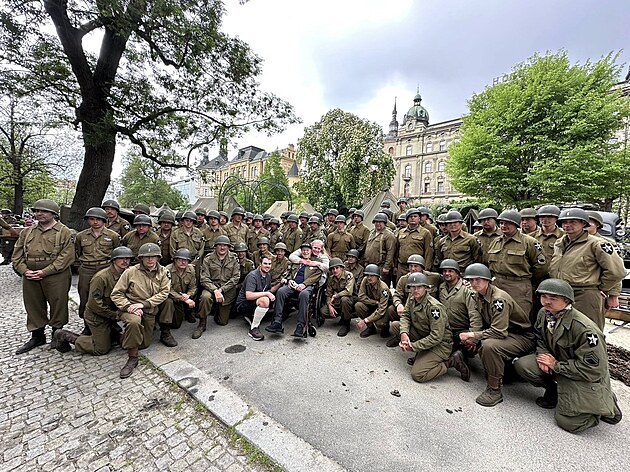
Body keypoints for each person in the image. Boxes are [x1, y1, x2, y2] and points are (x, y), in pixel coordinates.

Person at [514, 279, 622, 433]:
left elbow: (593, 370)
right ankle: (555, 393)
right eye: (544, 296)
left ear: (567, 301)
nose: (547, 301)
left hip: (583, 376)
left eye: (553, 298)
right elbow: (540, 336)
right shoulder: (544, 314)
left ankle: (604, 402)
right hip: (562, 367)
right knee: (524, 365)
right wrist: (543, 353)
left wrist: (555, 365)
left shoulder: (585, 330)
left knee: (569, 423)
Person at [459, 263, 535, 407]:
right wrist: (473, 338)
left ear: (487, 280)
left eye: (478, 279)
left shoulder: (498, 299)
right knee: (476, 341)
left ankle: (494, 390)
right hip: (506, 334)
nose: (474, 283)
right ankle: (505, 372)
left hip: (521, 336)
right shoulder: (478, 296)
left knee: (489, 346)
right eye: (471, 280)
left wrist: (473, 335)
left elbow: (498, 332)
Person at [12, 199, 75, 354]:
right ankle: (37, 335)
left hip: (56, 274)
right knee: (33, 304)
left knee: (58, 303)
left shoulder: (64, 232)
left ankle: (57, 334)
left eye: (44, 211)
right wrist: (24, 271)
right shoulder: (27, 232)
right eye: (37, 211)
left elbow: (66, 256)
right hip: (30, 274)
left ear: (53, 213)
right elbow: (17, 255)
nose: (39, 214)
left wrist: (45, 271)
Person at [549, 208, 625, 330]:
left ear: (583, 224)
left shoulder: (597, 244)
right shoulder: (560, 243)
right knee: (562, 330)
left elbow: (617, 271)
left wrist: (602, 288)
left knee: (587, 330)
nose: (567, 225)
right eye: (564, 222)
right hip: (561, 293)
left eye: (573, 222)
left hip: (584, 295)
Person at [51, 246, 134, 355]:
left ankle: (111, 333)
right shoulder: (101, 278)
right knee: (101, 349)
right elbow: (94, 304)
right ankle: (66, 336)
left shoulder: (129, 274)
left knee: (125, 341)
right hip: (97, 316)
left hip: (111, 314)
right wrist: (114, 316)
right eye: (121, 258)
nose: (125, 261)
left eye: (128, 258)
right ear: (114, 260)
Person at [390, 272, 469, 383]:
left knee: (418, 374)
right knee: (396, 326)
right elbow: (406, 315)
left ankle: (451, 361)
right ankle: (422, 353)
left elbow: (436, 337)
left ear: (426, 288)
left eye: (419, 287)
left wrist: (413, 346)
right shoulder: (412, 298)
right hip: (424, 334)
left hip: (440, 344)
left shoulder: (434, 308)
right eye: (413, 287)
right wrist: (404, 333)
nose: (415, 290)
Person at [111, 242, 171, 378]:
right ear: (141, 258)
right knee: (134, 322)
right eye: (146, 256)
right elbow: (116, 294)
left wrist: (144, 304)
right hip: (130, 308)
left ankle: (116, 336)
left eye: (153, 256)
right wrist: (128, 306)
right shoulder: (130, 272)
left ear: (158, 258)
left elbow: (164, 293)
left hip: (148, 309)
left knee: (144, 344)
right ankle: (132, 358)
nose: (150, 259)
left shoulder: (164, 272)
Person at [486, 209, 547, 318]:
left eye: (508, 223)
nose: (503, 226)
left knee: (520, 318)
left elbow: (541, 268)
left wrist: (528, 283)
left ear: (516, 224)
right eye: (501, 223)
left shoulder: (529, 242)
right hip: (497, 285)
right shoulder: (495, 242)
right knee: (497, 317)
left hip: (519, 286)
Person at [75, 207, 121, 333]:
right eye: (92, 219)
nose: (95, 222)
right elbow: (78, 252)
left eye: (98, 219)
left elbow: (117, 252)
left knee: (108, 296)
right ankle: (87, 324)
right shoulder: (81, 236)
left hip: (106, 268)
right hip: (87, 268)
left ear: (104, 220)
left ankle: (111, 323)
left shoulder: (113, 236)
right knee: (85, 296)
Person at [266, 241, 323, 337]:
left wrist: (304, 284)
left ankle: (300, 326)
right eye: (303, 250)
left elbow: (317, 276)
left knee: (304, 294)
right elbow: (288, 272)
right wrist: (289, 280)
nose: (305, 252)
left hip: (307, 286)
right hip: (293, 285)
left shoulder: (316, 262)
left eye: (307, 250)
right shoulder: (297, 261)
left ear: (311, 251)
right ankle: (277, 322)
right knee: (281, 291)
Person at [196, 235, 240, 336]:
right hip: (211, 288)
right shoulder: (208, 259)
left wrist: (221, 290)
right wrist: (215, 290)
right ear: (215, 246)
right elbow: (204, 278)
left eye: (225, 245)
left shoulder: (234, 258)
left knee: (222, 322)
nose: (222, 247)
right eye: (220, 245)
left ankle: (216, 309)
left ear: (228, 247)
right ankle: (202, 324)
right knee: (205, 297)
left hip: (227, 290)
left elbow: (235, 277)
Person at [436, 259, 482, 355]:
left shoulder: (467, 290)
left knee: (467, 345)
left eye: (450, 271)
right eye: (444, 271)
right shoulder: (441, 287)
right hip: (445, 328)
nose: (447, 273)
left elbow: (474, 315)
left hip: (461, 329)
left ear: (457, 273)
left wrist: (474, 338)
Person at [159, 248, 198, 346]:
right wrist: (182, 298)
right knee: (176, 324)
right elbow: (167, 289)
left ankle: (189, 312)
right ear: (175, 260)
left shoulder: (191, 269)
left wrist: (188, 295)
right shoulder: (167, 270)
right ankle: (165, 330)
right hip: (173, 298)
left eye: (186, 260)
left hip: (185, 297)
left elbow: (193, 287)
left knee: (196, 294)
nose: (183, 262)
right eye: (180, 259)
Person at [236, 255, 277, 341]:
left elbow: (268, 290)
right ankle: (253, 328)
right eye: (265, 263)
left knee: (272, 299)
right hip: (243, 304)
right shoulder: (253, 276)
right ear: (260, 264)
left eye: (269, 264)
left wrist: (280, 284)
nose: (267, 266)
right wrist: (267, 294)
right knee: (264, 300)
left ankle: (253, 316)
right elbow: (249, 296)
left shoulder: (268, 275)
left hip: (254, 302)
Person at [321, 257, 356, 337]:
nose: (335, 270)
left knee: (344, 299)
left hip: (351, 300)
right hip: (338, 300)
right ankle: (342, 316)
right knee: (323, 311)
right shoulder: (331, 278)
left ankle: (346, 324)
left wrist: (336, 295)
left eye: (337, 268)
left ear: (342, 268)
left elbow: (348, 292)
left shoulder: (349, 275)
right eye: (333, 269)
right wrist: (329, 305)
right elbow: (328, 294)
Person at [396, 208, 433, 281]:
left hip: (417, 267)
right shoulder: (401, 232)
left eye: (415, 216)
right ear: (407, 219)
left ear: (419, 219)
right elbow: (397, 249)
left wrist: (426, 269)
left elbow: (428, 253)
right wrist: (395, 266)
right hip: (402, 267)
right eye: (410, 216)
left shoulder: (425, 233)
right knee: (401, 285)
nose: (413, 218)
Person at [354, 264, 391, 338]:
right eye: (367, 275)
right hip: (373, 304)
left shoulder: (383, 288)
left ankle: (385, 327)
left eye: (372, 276)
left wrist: (365, 320)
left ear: (377, 277)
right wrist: (375, 302)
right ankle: (371, 328)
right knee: (358, 306)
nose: (369, 278)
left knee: (380, 323)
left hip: (384, 308)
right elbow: (361, 297)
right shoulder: (365, 280)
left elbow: (381, 309)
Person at [364, 213, 396, 284]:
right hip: (370, 264)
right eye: (376, 222)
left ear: (384, 223)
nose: (378, 224)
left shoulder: (388, 235)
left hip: (381, 266)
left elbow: (390, 252)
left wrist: (386, 267)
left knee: (381, 285)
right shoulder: (371, 233)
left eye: (380, 222)